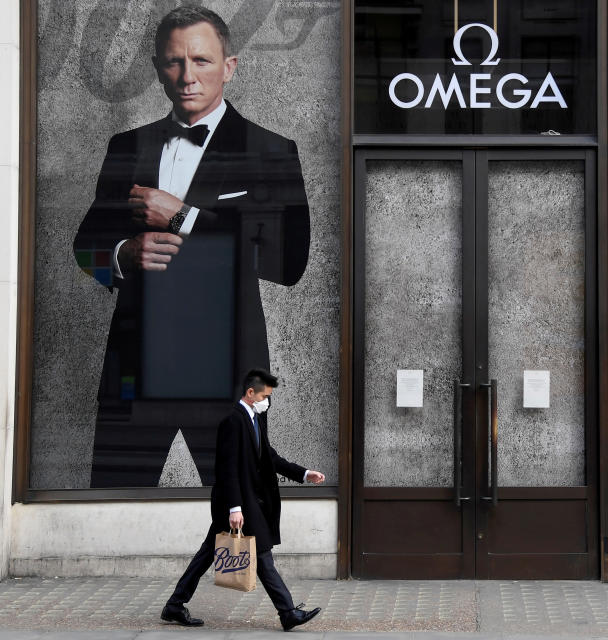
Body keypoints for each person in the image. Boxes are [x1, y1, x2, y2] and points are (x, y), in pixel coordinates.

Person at [73, 6, 310, 487]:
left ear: (229, 66)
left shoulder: (270, 151)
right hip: (137, 369)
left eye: (201, 61)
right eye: (173, 62)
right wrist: (121, 255)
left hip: (226, 371)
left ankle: (249, 569)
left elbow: (289, 263)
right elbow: (84, 250)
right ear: (159, 68)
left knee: (239, 519)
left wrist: (182, 216)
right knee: (113, 508)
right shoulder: (126, 147)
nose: (187, 76)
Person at [161, 369, 325, 631]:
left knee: (207, 554)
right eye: (265, 396)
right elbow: (227, 469)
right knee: (262, 556)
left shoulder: (255, 420)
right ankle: (288, 613)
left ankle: (174, 605)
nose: (267, 402)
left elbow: (270, 458)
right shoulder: (233, 422)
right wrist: (234, 508)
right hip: (237, 504)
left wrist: (304, 474)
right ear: (250, 393)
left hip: (248, 502)